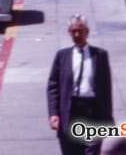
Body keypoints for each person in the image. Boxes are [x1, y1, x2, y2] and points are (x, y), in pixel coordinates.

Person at [47, 14, 113, 155]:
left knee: (92, 150)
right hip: (71, 110)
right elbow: (53, 86)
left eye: (80, 30)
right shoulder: (62, 56)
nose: (77, 34)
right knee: (71, 151)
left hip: (92, 110)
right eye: (73, 31)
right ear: (69, 33)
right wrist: (53, 114)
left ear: (87, 32)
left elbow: (106, 89)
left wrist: (108, 116)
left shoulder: (100, 55)